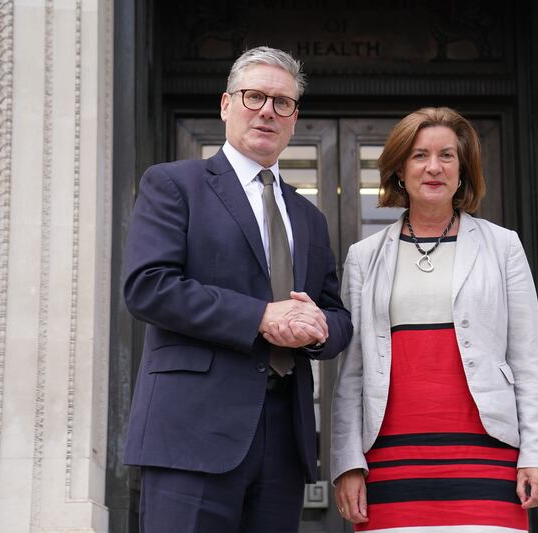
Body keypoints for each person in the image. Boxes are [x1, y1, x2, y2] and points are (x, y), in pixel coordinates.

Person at [122, 46, 352, 532]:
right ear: (226, 105)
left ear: (294, 119)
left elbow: (335, 313)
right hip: (190, 433)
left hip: (283, 439)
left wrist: (318, 328)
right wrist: (259, 317)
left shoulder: (309, 217)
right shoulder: (174, 184)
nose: (268, 110)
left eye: (282, 102)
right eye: (254, 97)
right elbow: (148, 286)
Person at [330, 107, 538, 532]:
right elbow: (351, 374)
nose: (434, 167)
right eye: (419, 155)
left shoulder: (503, 246)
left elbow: (528, 360)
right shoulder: (364, 256)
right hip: (390, 462)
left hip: (489, 458)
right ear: (399, 169)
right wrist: (347, 462)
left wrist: (537, 455)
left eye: (447, 155)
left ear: (462, 169)